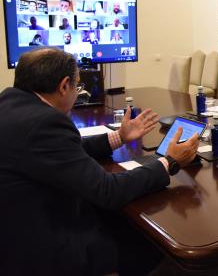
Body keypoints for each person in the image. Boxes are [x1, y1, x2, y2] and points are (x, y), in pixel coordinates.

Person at [0, 48, 199, 276]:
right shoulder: (44, 123)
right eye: (78, 85)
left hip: (15, 227)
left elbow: (65, 152)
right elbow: (107, 191)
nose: (78, 92)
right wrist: (170, 161)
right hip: (39, 249)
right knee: (151, 240)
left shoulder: (9, 103)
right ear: (64, 86)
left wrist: (119, 137)